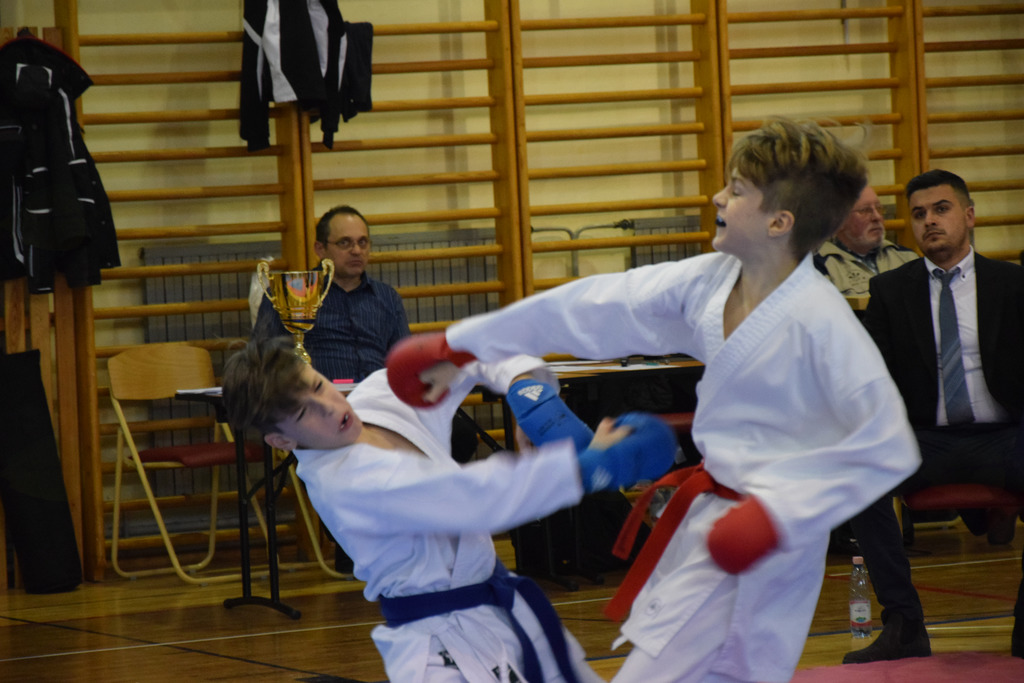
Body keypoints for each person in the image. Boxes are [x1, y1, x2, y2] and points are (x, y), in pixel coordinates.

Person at [386, 117, 920, 683]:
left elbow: (887, 445)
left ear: (778, 222)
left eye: (737, 190)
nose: (718, 197)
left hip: (770, 546)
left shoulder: (822, 321)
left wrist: (778, 516)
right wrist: (463, 345)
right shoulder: (713, 282)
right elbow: (596, 305)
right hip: (718, 520)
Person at [221, 335, 676, 683]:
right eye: (304, 413)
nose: (328, 406)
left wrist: (532, 400)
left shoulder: (382, 395)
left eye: (319, 386)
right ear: (281, 440)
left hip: (505, 610)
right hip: (440, 649)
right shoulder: (347, 482)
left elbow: (473, 348)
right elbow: (474, 498)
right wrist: (591, 467)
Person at [844, 169, 1024, 664]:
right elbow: (874, 379)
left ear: (969, 215)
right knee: (858, 477)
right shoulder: (890, 291)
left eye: (941, 209)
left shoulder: (1013, 284)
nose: (929, 221)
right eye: (919, 214)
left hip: (1005, 435)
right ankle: (904, 623)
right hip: (925, 439)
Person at [253, 205, 410, 383]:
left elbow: (405, 360)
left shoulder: (387, 297)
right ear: (320, 249)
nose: (356, 251)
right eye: (344, 243)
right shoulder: (291, 293)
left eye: (362, 242)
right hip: (316, 394)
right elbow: (260, 361)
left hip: (377, 394)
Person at [814, 185, 918, 296]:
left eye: (879, 208)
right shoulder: (821, 267)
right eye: (865, 210)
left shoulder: (907, 257)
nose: (877, 217)